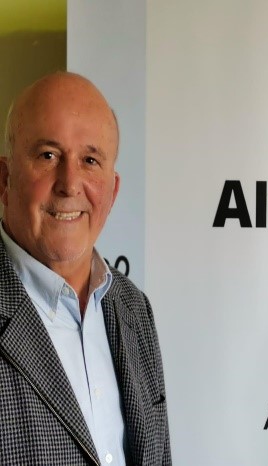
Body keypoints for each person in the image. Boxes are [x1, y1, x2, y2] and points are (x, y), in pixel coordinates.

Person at [0, 72, 171, 465]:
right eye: (48, 156)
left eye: (90, 160)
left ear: (112, 191)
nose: (70, 183)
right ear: (5, 179)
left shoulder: (135, 309)